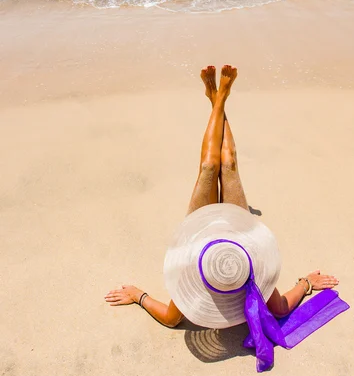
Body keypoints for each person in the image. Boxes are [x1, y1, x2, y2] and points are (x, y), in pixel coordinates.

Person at [104, 65, 339, 330]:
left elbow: (172, 320)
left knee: (209, 167)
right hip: (239, 233)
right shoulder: (248, 268)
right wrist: (305, 283)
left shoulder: (232, 269)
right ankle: (220, 98)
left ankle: (216, 98)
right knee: (227, 166)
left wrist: (138, 296)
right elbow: (281, 308)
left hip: (201, 234)